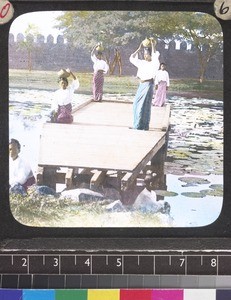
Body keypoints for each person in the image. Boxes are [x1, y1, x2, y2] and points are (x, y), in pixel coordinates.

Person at [129, 38, 160, 130]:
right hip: (141, 85)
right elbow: (131, 58)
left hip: (148, 85)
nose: (145, 56)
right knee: (136, 104)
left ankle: (142, 125)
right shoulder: (142, 63)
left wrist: (152, 45)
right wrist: (139, 49)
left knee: (144, 105)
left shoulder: (155, 63)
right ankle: (137, 124)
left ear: (150, 55)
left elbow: (155, 55)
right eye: (145, 54)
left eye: (147, 55)